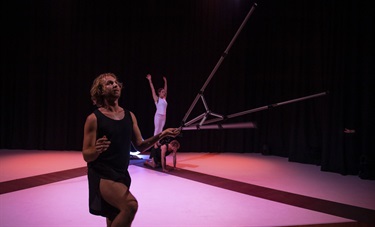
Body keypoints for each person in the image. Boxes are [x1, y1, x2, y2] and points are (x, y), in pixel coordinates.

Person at [82, 73, 180, 227]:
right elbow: (87, 155)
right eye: (109, 83)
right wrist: (96, 150)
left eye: (116, 82)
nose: (115, 85)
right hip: (102, 174)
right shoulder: (93, 119)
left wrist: (162, 134)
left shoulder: (129, 116)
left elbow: (140, 145)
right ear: (100, 91)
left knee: (114, 215)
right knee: (130, 205)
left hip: (121, 173)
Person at [146, 74, 168, 148]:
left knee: (161, 130)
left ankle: (158, 142)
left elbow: (166, 89)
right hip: (158, 116)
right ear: (159, 93)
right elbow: (152, 89)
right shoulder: (157, 99)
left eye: (164, 92)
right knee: (156, 130)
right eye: (162, 92)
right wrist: (150, 80)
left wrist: (165, 82)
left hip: (163, 116)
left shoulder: (164, 99)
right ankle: (154, 143)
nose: (164, 93)